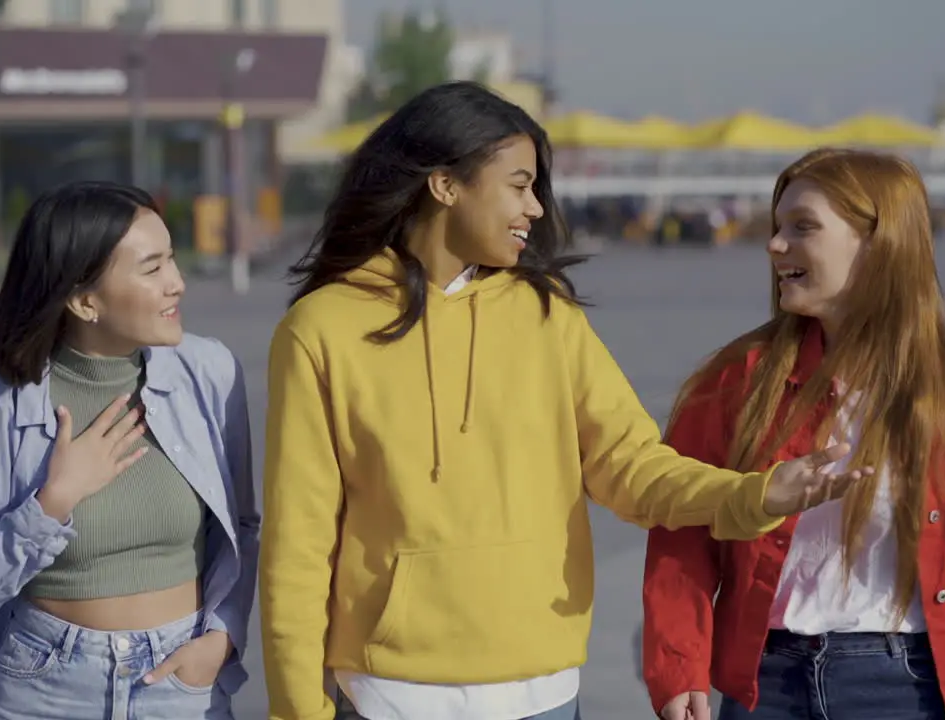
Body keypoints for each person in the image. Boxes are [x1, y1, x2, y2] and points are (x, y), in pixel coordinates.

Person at [257, 82, 876, 720]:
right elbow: (297, 545)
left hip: (547, 693)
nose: (535, 208)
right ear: (445, 185)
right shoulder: (322, 330)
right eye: (518, 185)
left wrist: (754, 496)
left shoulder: (547, 313)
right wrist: (297, 708)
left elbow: (633, 467)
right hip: (392, 695)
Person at [640, 148, 945, 720]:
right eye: (778, 226)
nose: (774, 244)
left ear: (880, 244)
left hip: (920, 690)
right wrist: (677, 665)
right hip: (764, 688)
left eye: (802, 227)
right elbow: (683, 534)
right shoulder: (736, 383)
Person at [0, 181, 259, 719]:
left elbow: (244, 529)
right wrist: (51, 504)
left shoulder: (210, 372)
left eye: (172, 261)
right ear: (84, 300)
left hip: (180, 683)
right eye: (152, 269)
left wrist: (222, 639)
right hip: (43, 688)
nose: (177, 283)